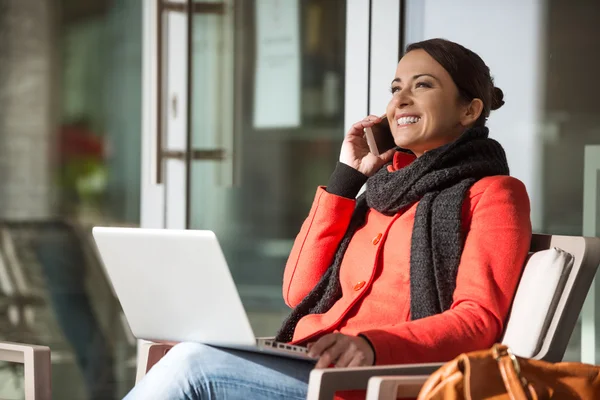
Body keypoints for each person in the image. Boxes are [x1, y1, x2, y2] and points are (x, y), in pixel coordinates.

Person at [125, 38, 532, 400]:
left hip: (372, 383)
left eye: (422, 85)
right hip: (307, 364)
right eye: (395, 88)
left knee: (193, 366)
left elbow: (479, 320)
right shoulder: (378, 193)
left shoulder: (494, 193)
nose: (400, 100)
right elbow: (298, 290)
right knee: (186, 355)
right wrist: (346, 177)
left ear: (469, 110)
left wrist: (374, 346)